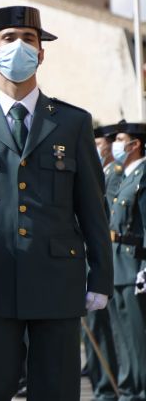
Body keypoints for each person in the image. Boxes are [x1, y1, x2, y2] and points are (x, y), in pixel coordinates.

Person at [0, 6, 113, 401]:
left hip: (57, 281)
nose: (19, 46)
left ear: (41, 52)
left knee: (56, 390)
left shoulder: (72, 123)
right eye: (8, 38)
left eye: (29, 38)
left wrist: (100, 276)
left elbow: (92, 206)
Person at [107, 121, 146, 401]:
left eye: (121, 139)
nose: (116, 145)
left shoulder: (143, 177)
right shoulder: (124, 177)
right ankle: (128, 390)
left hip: (135, 265)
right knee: (122, 337)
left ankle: (141, 391)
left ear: (136, 144)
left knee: (137, 337)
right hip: (117, 263)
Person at [82, 124, 121, 401]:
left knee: (115, 333)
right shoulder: (100, 174)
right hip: (88, 258)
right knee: (96, 329)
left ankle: (116, 387)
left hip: (116, 261)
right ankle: (102, 384)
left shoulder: (116, 176)